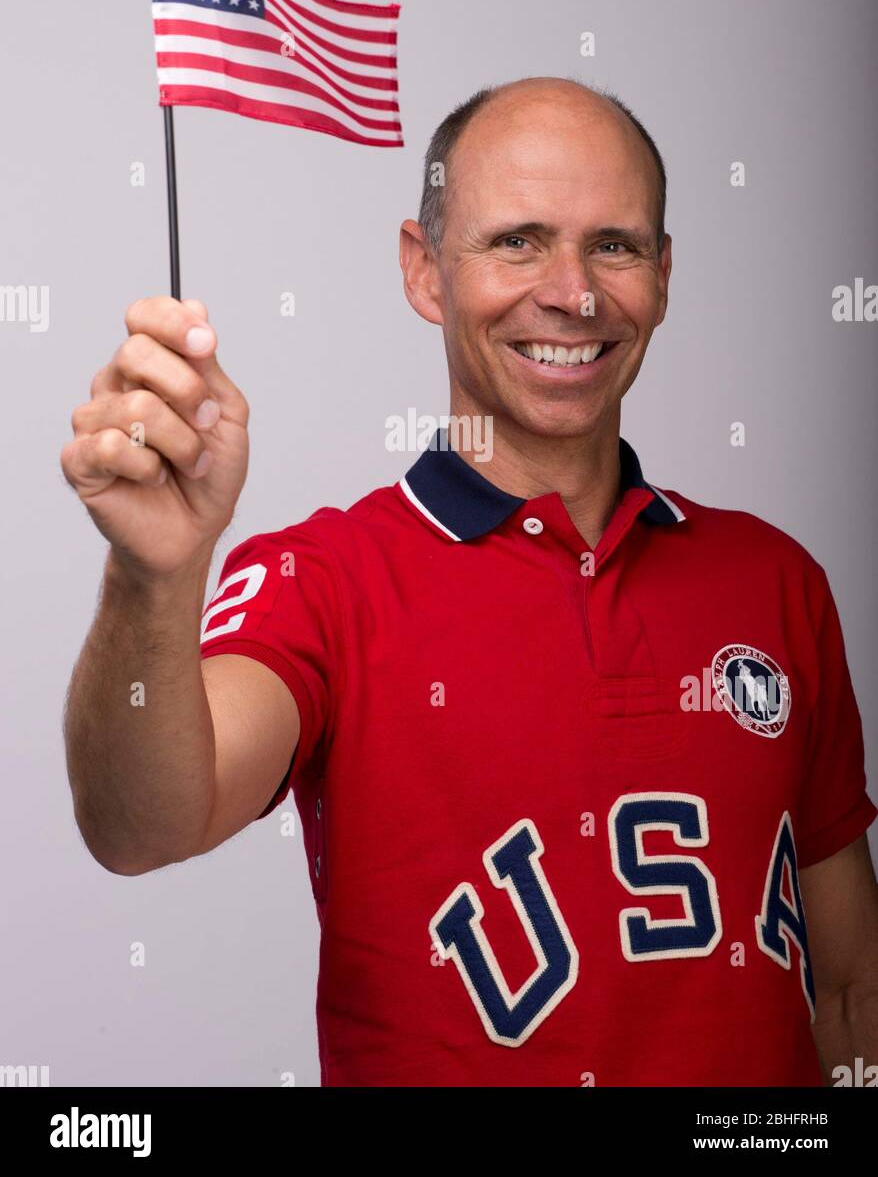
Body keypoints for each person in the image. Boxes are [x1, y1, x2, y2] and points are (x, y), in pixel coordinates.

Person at [61, 77, 878, 1087]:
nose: (572, 292)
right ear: (424, 272)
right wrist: (155, 575)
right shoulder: (321, 580)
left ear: (662, 277)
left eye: (613, 245)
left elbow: (848, 988)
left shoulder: (775, 581)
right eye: (516, 241)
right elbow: (141, 823)